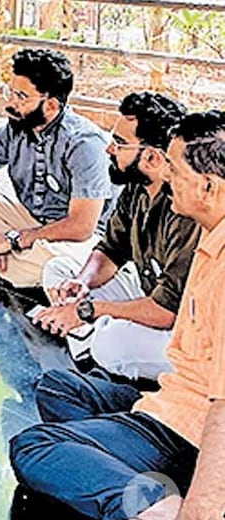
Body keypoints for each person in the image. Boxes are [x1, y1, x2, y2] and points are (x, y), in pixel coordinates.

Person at [9, 111, 225, 520]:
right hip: (170, 398)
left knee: (35, 446)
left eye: (175, 168)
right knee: (58, 389)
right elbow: (109, 251)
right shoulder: (210, 231)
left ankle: (162, 504)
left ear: (208, 186)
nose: (166, 174)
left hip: (190, 427)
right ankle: (155, 475)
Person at [33, 92, 195, 382]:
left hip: (187, 329)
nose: (108, 149)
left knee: (113, 343)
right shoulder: (136, 187)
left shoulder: (185, 209)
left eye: (120, 143)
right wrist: (81, 283)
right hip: (149, 296)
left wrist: (86, 310)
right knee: (58, 271)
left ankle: (97, 344)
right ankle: (89, 344)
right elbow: (110, 250)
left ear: (152, 157)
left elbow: (167, 312)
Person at [0, 48, 116, 288]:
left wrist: (14, 239)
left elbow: (81, 226)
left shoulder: (84, 144)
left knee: (57, 266)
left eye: (21, 97)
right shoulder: (16, 127)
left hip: (77, 238)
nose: (10, 103)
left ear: (50, 105)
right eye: (10, 92)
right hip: (31, 222)